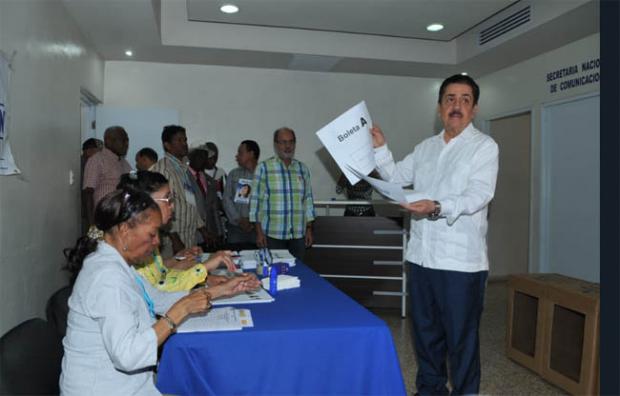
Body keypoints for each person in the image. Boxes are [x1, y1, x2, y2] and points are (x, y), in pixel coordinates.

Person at [370, 74, 499, 395]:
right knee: (425, 334)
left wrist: (438, 205)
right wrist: (381, 149)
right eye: (450, 99)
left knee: (461, 339)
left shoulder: (484, 147)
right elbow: (397, 176)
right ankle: (430, 390)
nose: (457, 106)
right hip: (421, 258)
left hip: (460, 264)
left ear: (475, 109)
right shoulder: (425, 147)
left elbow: (479, 195)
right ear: (439, 106)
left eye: (465, 100)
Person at [60, 189, 258, 395]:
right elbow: (128, 356)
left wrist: (219, 291)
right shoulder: (107, 278)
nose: (157, 243)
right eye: (152, 234)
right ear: (125, 231)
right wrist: (178, 313)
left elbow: (156, 299)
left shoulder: (117, 264)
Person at [118, 171, 237, 291]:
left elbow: (161, 275)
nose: (172, 206)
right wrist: (205, 268)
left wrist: (203, 279)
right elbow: (158, 292)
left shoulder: (147, 236)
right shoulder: (135, 241)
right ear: (145, 203)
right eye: (167, 199)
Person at [249, 127, 315, 260]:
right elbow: (256, 202)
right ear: (276, 144)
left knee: (299, 274)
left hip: (298, 235)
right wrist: (259, 233)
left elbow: (307, 200)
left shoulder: (302, 169)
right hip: (273, 235)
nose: (288, 146)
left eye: (291, 142)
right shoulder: (264, 168)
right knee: (276, 274)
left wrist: (309, 229)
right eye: (283, 142)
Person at [150, 125, 210, 256]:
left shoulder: (183, 169)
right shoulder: (163, 170)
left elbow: (188, 201)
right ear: (167, 145)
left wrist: (202, 228)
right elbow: (159, 207)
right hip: (172, 241)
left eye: (185, 140)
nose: (184, 144)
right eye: (179, 140)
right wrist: (174, 238)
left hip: (189, 235)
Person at [82, 126, 131, 226]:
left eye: (127, 140)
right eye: (123, 140)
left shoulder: (124, 163)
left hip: (121, 219)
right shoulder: (97, 160)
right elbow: (88, 193)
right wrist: (92, 225)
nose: (126, 144)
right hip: (103, 219)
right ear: (108, 141)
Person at [223, 140, 260, 247]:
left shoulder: (264, 174)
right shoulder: (234, 174)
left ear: (251, 154)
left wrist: (253, 221)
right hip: (236, 229)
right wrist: (239, 220)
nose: (237, 156)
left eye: (240, 153)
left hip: (258, 230)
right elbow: (226, 199)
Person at [188, 147, 225, 250]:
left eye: (205, 157)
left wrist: (219, 232)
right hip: (193, 234)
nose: (202, 160)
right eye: (199, 156)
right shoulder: (184, 178)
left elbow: (215, 209)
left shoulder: (210, 181)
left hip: (211, 235)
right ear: (191, 157)